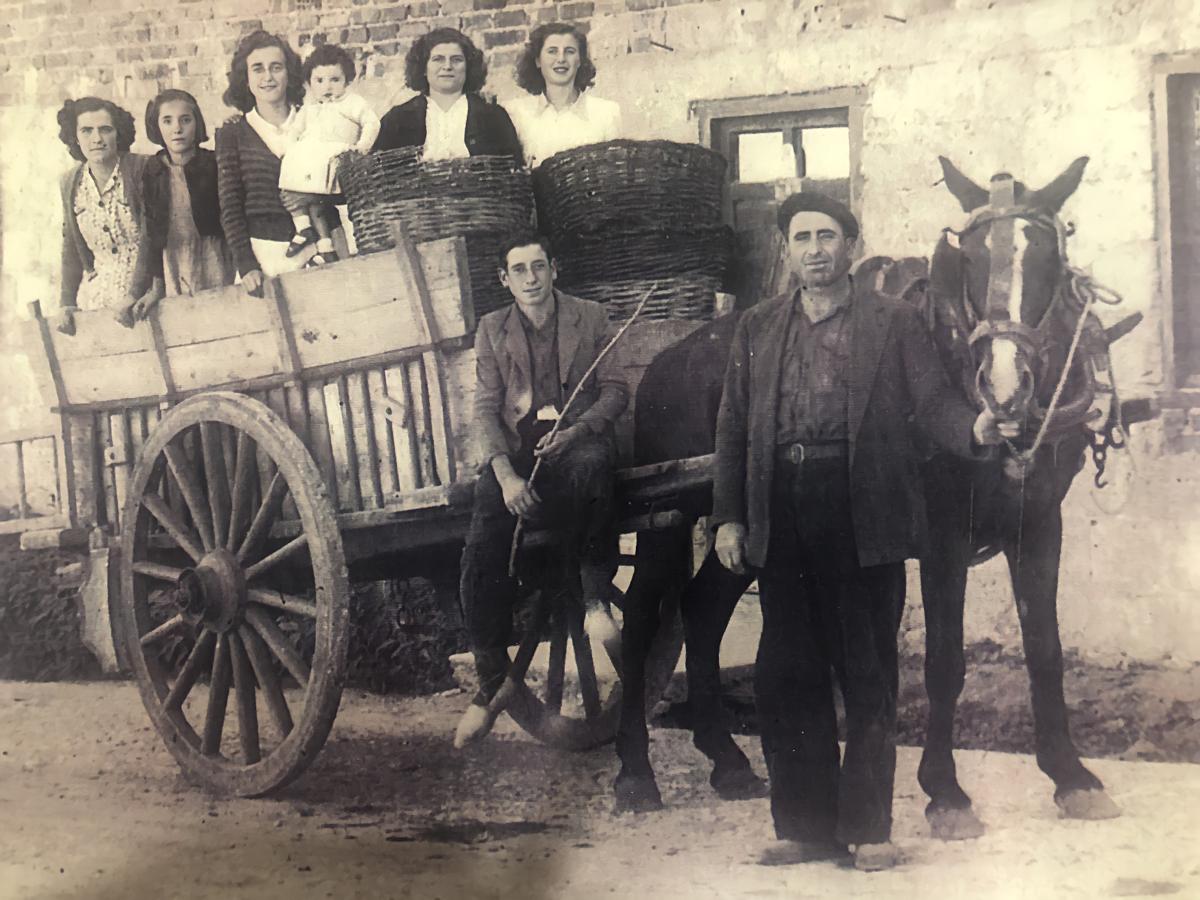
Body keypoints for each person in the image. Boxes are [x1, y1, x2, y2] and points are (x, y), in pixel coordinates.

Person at [711, 193, 1014, 871]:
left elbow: (933, 401)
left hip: (863, 512)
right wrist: (730, 516)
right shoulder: (757, 327)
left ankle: (868, 829)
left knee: (868, 670)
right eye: (801, 238)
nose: (814, 249)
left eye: (827, 236)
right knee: (787, 672)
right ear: (786, 250)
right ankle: (804, 826)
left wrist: (974, 429)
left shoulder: (894, 322)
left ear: (850, 244)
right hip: (781, 511)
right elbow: (732, 427)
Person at [453, 232, 627, 749]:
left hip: (574, 442)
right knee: (484, 534)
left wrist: (578, 430)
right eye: (519, 270)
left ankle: (596, 599)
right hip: (518, 453)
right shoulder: (492, 329)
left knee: (596, 469)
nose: (531, 279)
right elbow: (486, 407)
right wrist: (506, 477)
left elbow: (616, 389)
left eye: (538, 267)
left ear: (555, 269)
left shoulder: (589, 318)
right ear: (505, 279)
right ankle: (490, 676)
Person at [216, 30, 339, 293]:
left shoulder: (315, 121)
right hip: (266, 256)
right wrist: (246, 264)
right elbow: (230, 206)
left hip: (321, 247)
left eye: (276, 68)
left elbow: (342, 188)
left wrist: (313, 200)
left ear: (289, 74)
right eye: (257, 69)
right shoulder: (233, 134)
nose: (268, 77)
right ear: (245, 78)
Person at [132, 89, 234, 319]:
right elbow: (152, 234)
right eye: (167, 121)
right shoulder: (152, 171)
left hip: (214, 256)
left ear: (197, 124)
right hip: (173, 262)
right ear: (156, 126)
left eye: (185, 120)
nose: (177, 129)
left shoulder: (214, 162)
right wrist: (156, 288)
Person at [56, 97, 153, 334]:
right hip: (98, 301)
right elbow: (71, 246)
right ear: (75, 137)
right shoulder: (70, 182)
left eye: (105, 130)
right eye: (86, 131)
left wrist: (135, 293)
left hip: (146, 297)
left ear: (118, 134)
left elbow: (153, 237)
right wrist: (66, 302)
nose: (96, 139)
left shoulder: (142, 169)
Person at [278, 43, 380, 266]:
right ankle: (312, 235)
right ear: (310, 83)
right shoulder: (310, 107)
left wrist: (362, 147)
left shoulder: (352, 103)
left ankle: (316, 238)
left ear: (347, 80)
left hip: (334, 155)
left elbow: (371, 123)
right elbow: (295, 128)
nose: (327, 86)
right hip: (310, 158)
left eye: (335, 80)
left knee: (316, 201)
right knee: (291, 191)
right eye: (319, 80)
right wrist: (291, 146)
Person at [372, 27, 521, 161]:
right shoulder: (397, 119)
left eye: (457, 60)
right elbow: (378, 173)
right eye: (438, 59)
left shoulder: (494, 117)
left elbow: (514, 173)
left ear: (468, 67)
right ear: (424, 68)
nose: (448, 66)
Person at [506, 23, 622, 168]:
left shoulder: (607, 112)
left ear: (579, 60)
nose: (561, 59)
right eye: (552, 51)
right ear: (537, 61)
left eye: (569, 51)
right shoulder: (517, 114)